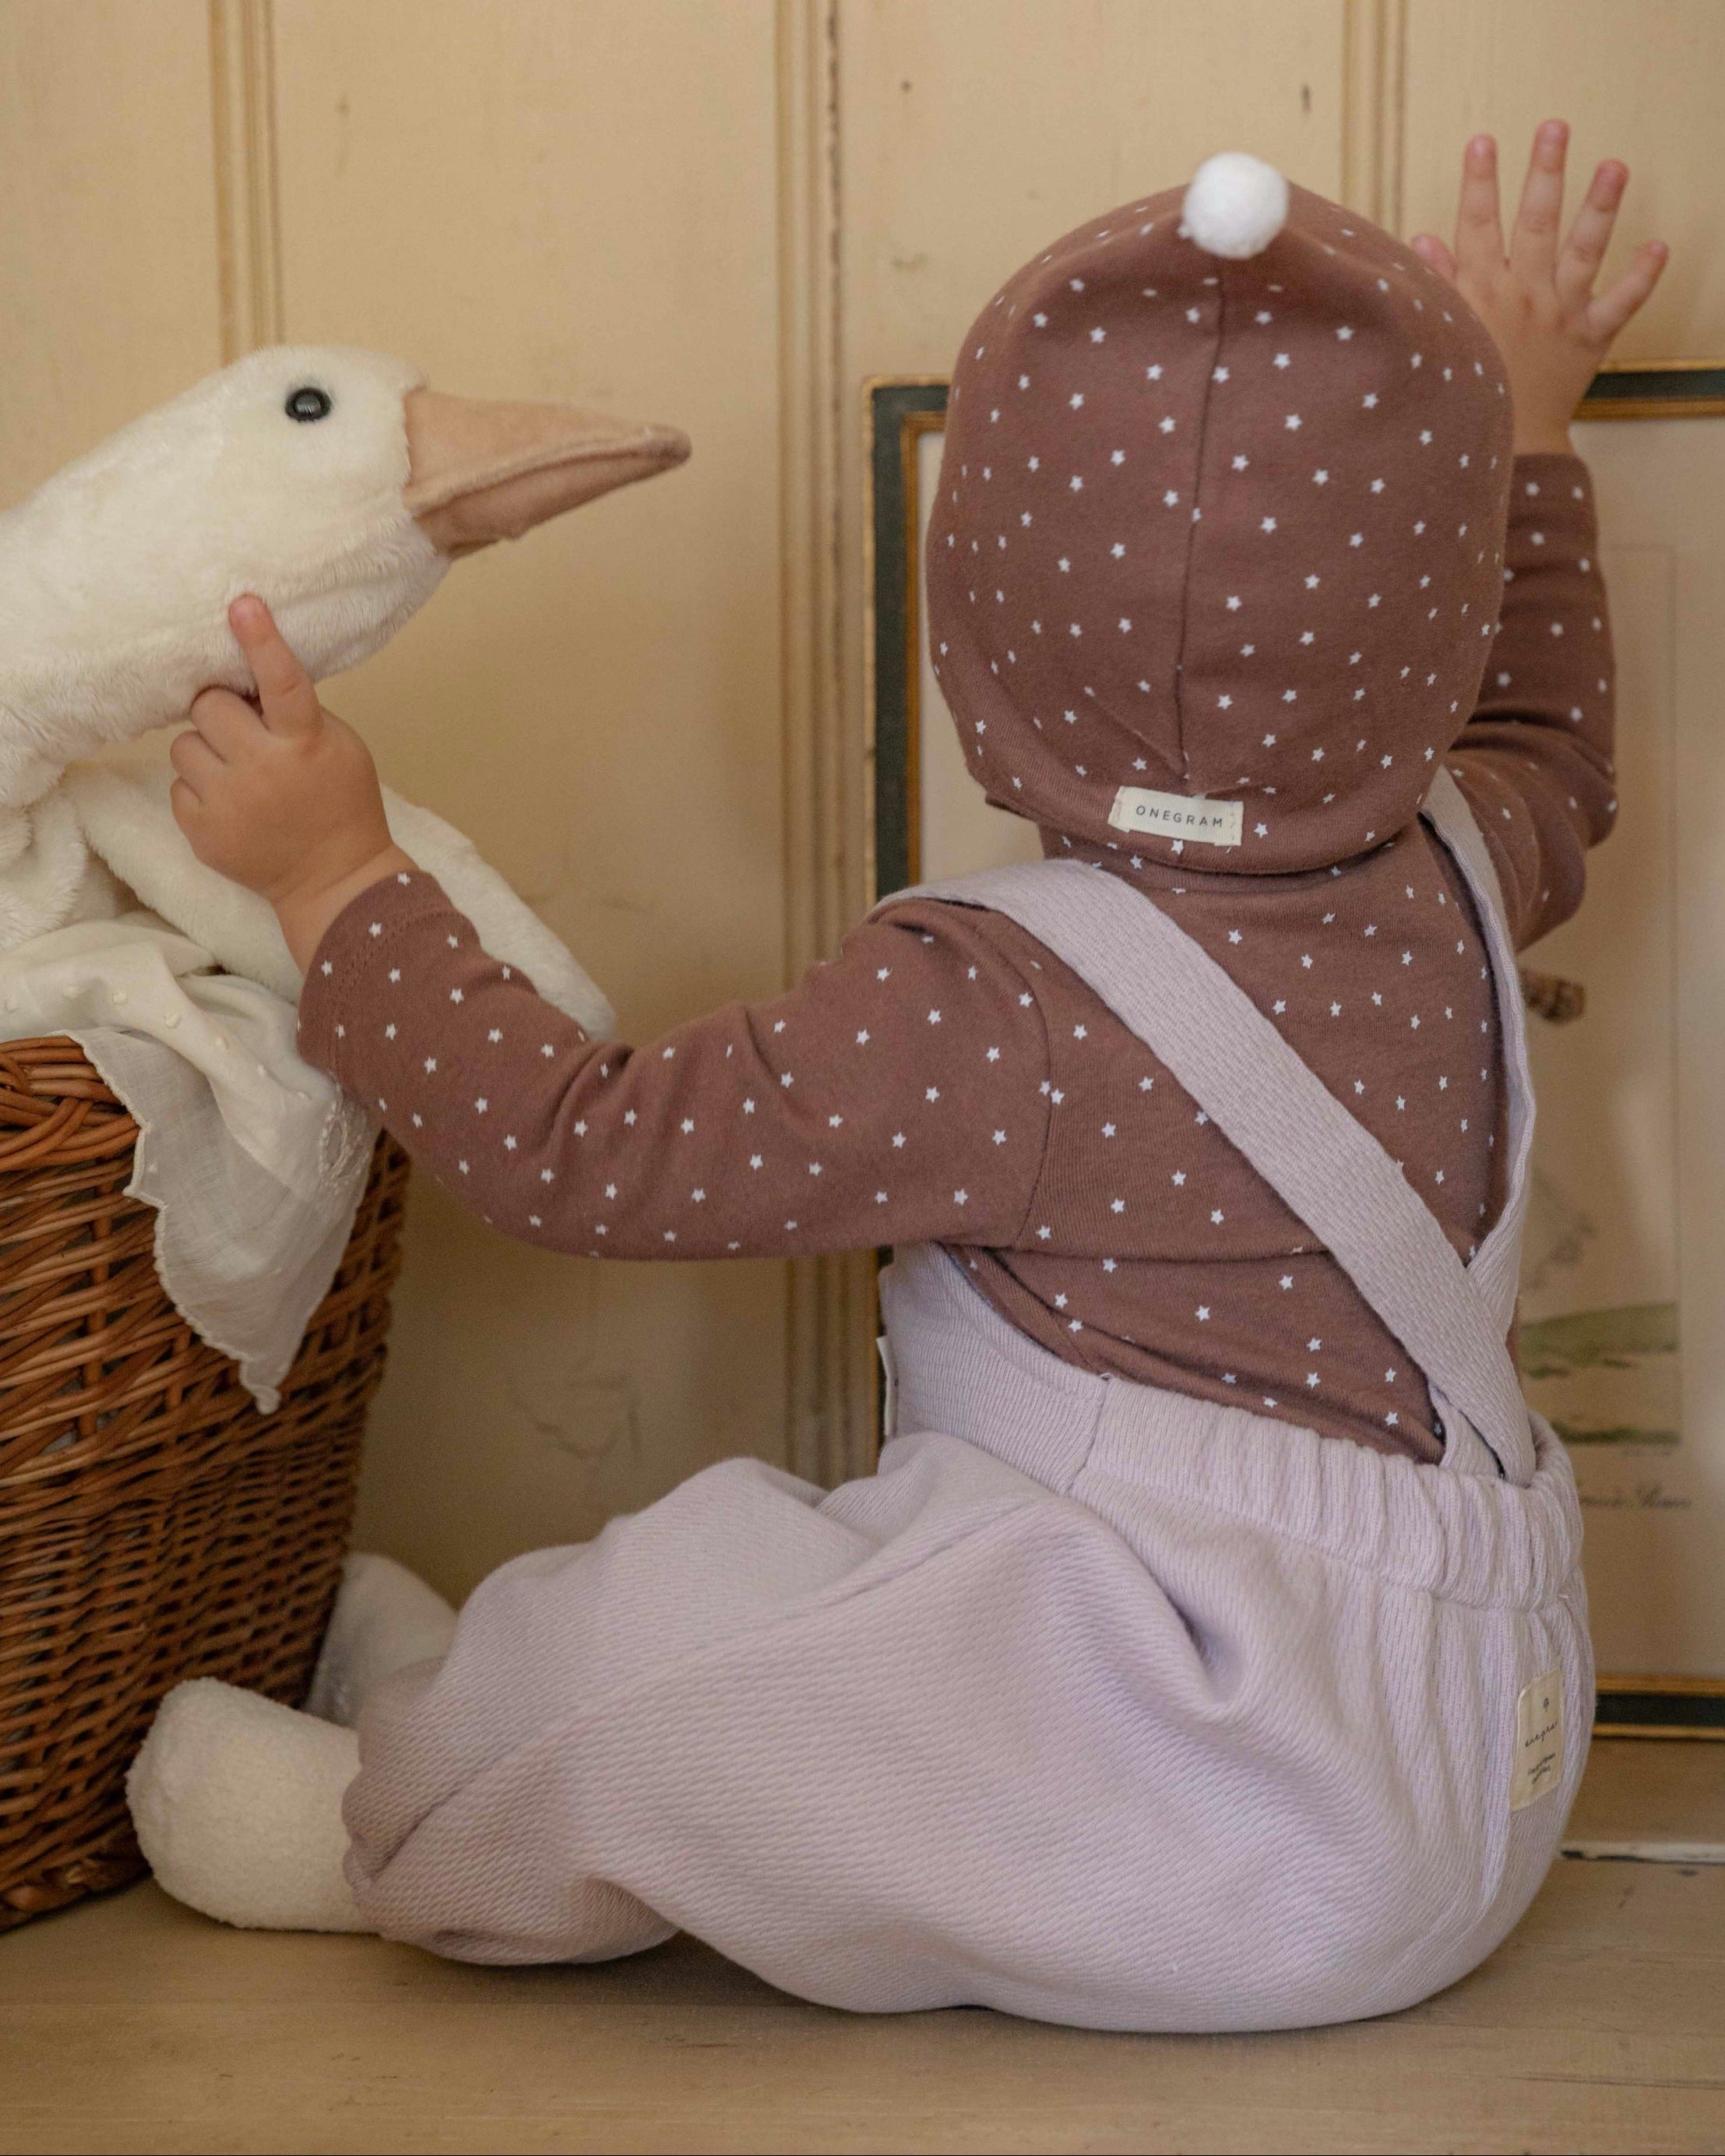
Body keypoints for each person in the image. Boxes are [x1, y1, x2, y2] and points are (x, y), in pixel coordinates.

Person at [163, 125, 1664, 2030]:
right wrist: (1529, 429)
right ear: (1423, 614)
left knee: (671, 1635)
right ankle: (454, 1713)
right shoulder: (1467, 865)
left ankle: (394, 1819)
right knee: (793, 1637)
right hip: (1474, 1763)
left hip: (1212, 1774)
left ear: (988, 618)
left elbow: (580, 1150)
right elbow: (1549, 738)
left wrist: (330, 878)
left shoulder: (993, 1008)